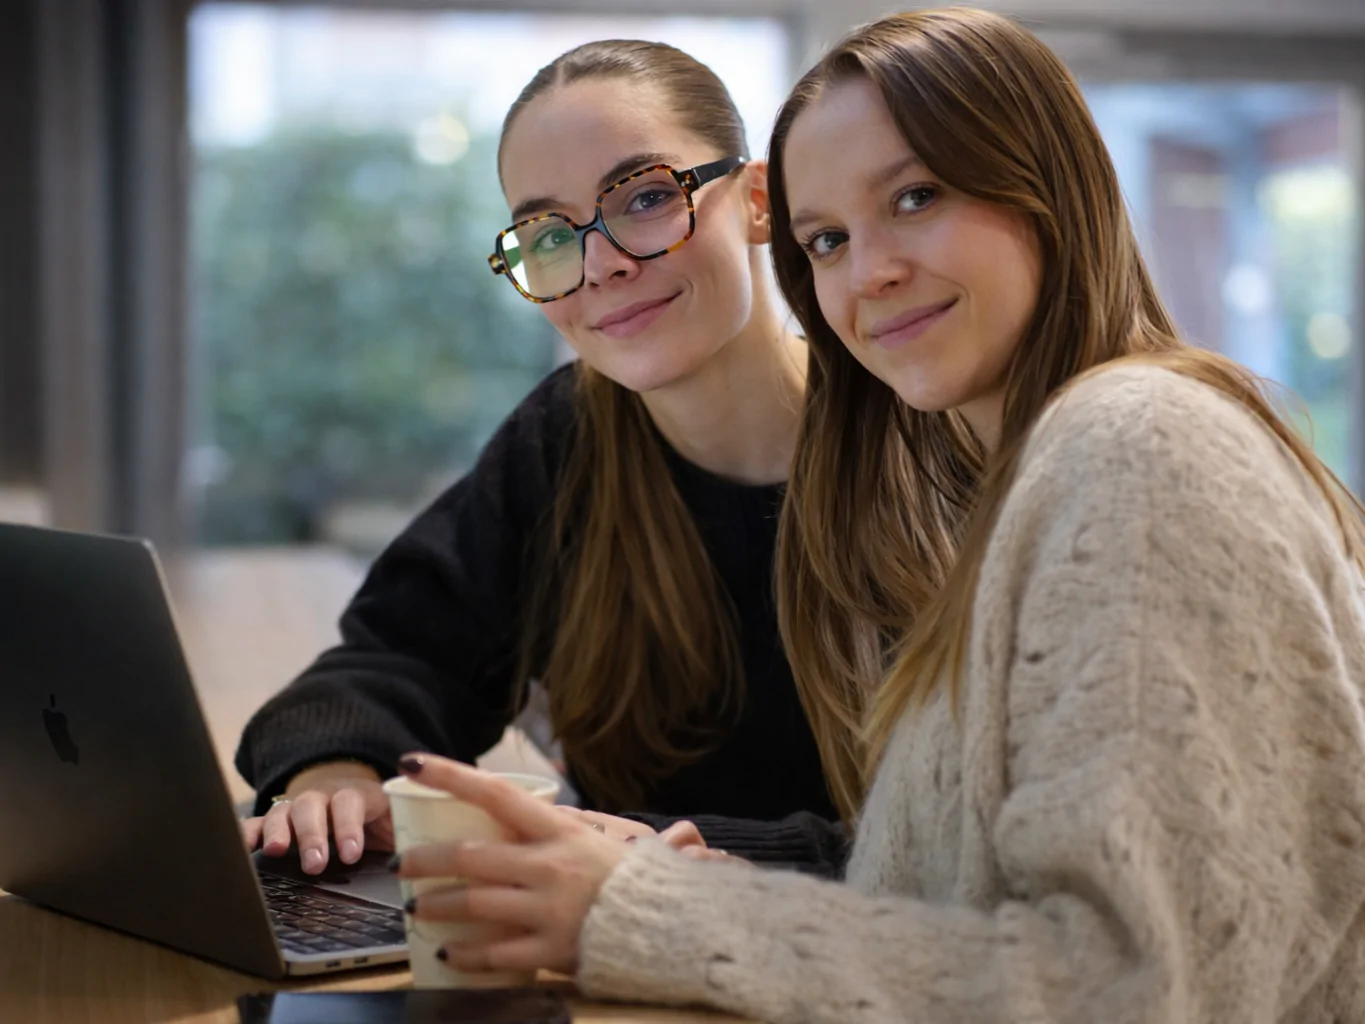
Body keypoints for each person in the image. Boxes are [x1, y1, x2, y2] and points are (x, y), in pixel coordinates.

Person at [383, 9, 1365, 1022]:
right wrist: (687, 879)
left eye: (915, 196)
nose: (869, 272)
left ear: (1048, 180)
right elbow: (950, 900)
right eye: (828, 240)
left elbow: (1125, 988)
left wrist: (649, 910)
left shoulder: (1135, 443)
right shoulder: (1032, 472)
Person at [236, 40, 849, 879]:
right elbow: (397, 659)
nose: (601, 265)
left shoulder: (914, 438)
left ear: (755, 202)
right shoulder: (568, 438)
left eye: (645, 197)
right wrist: (334, 772)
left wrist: (677, 864)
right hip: (594, 940)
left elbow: (960, 852)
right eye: (548, 234)